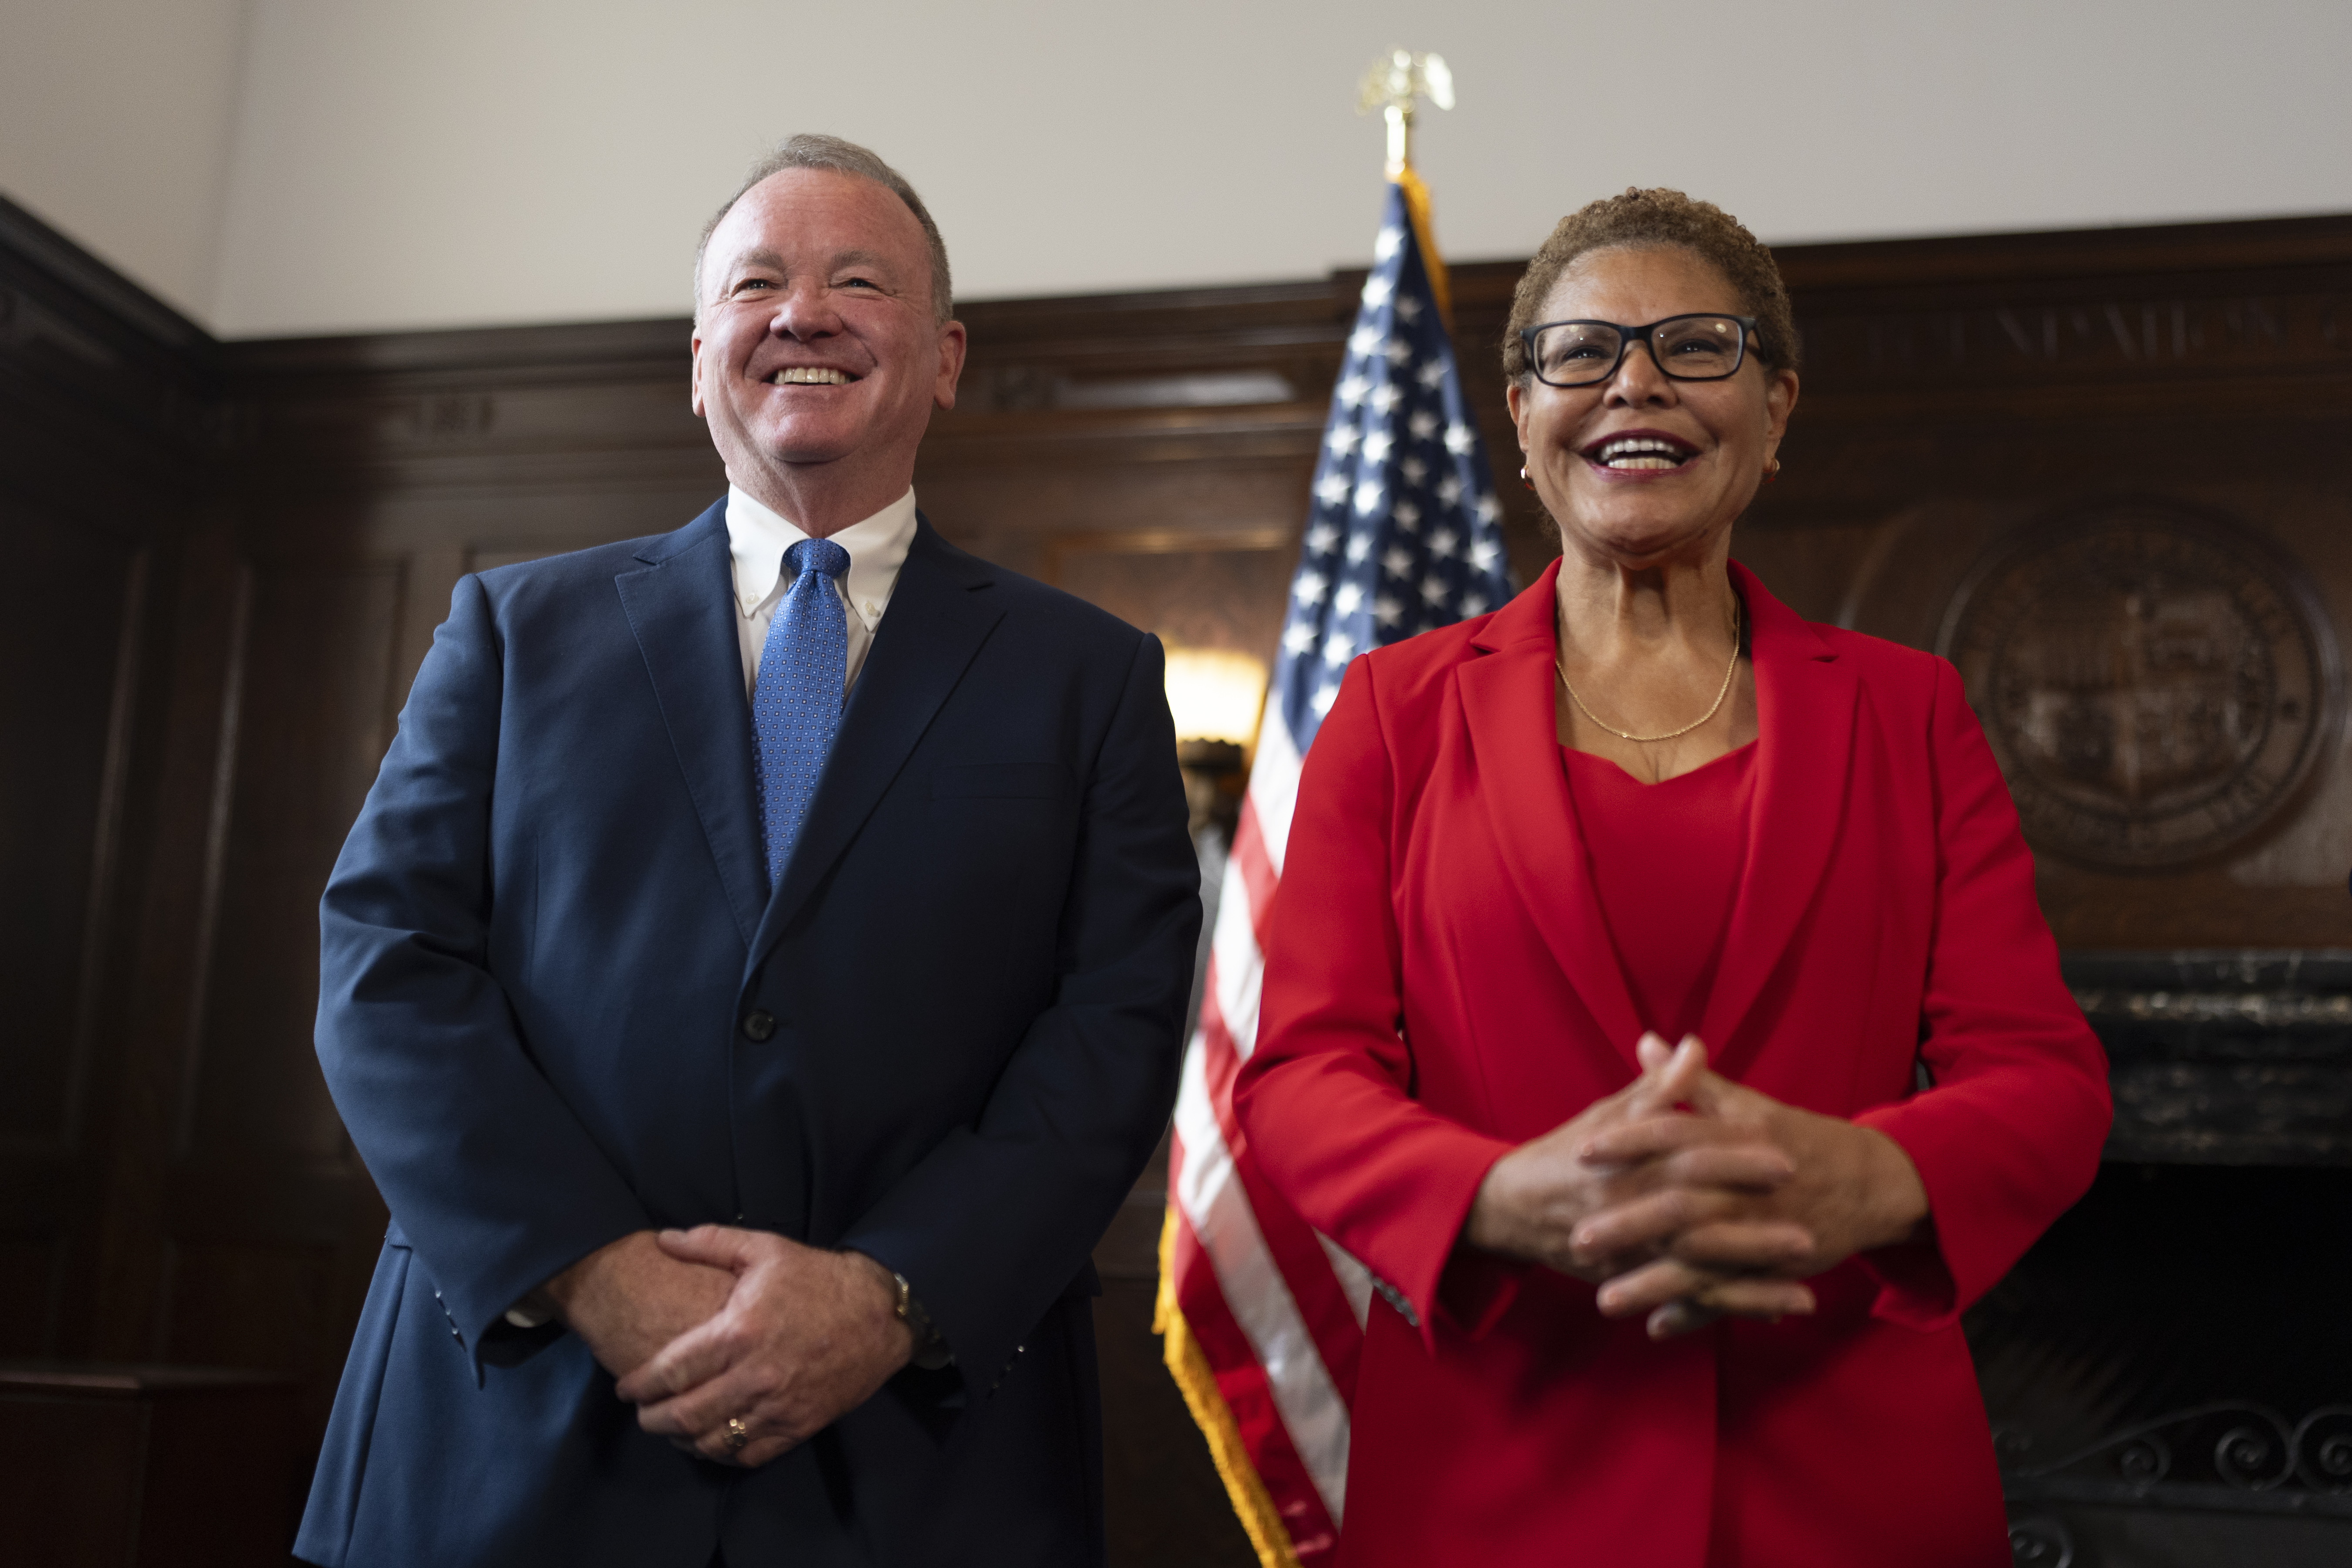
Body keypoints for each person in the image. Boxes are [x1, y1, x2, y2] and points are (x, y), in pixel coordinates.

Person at [295, 135, 1200, 1568]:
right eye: (758, 280)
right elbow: (388, 971)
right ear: (699, 348)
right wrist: (592, 1271)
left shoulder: (1087, 677)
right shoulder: (513, 633)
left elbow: (1118, 1027)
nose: (804, 312)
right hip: (514, 1430)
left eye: (859, 280)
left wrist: (889, 1296)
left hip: (917, 1459)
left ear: (948, 355)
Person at [1231, 189, 2111, 1567]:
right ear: (1521, 422)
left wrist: (1869, 1174)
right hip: (1497, 1465)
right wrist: (1493, 1197)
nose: (1633, 380)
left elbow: (2046, 1076)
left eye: (1697, 346)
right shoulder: (1392, 711)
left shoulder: (1909, 711)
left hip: (1849, 1475)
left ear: (1774, 410)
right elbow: (1296, 1075)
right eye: (1579, 353)